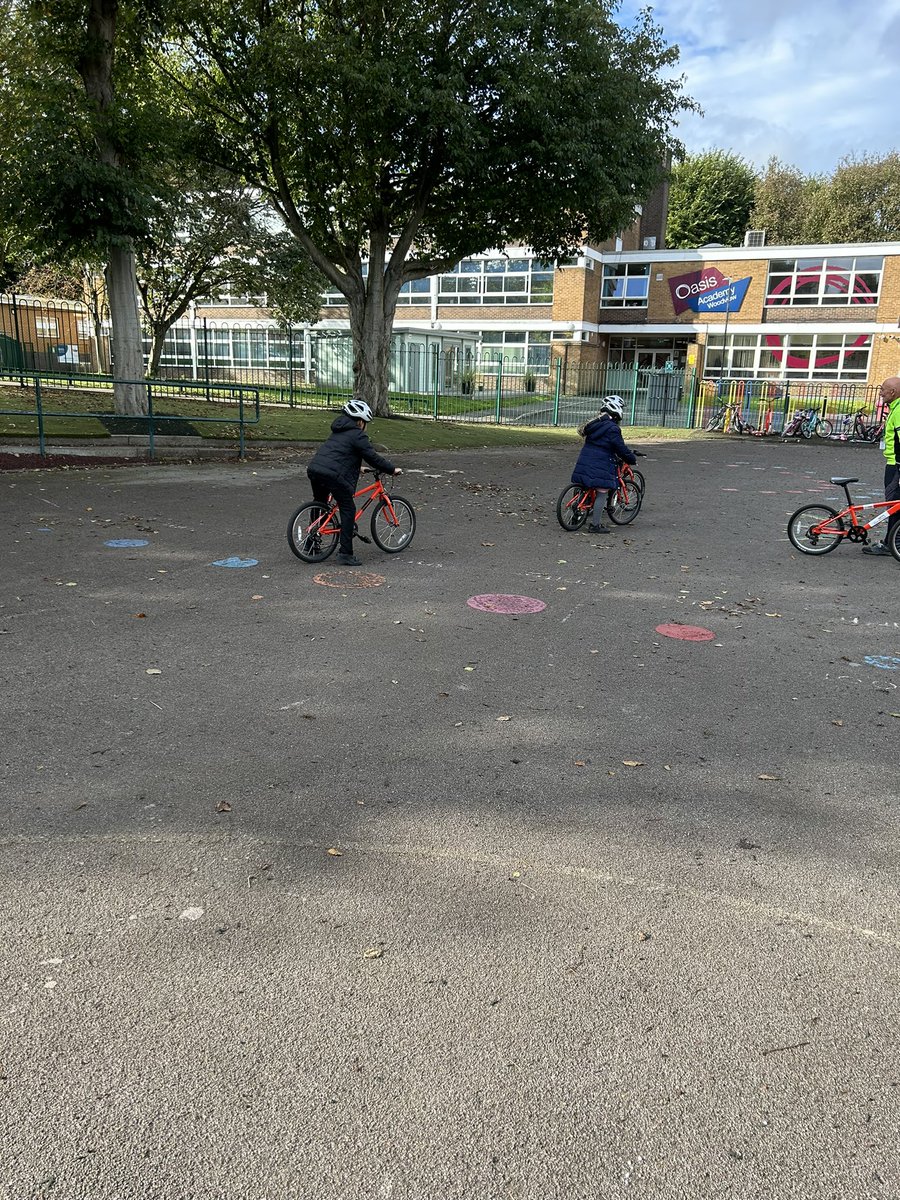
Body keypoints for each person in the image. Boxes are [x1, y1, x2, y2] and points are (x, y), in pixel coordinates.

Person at [307, 398, 402, 566]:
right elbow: (372, 456)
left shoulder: (338, 431)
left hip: (316, 469)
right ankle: (345, 553)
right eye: (365, 422)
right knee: (348, 508)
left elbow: (338, 455)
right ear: (360, 421)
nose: (365, 426)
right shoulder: (357, 434)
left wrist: (359, 468)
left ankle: (311, 544)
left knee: (319, 504)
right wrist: (391, 469)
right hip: (332, 474)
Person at [571, 396, 638, 533]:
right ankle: (595, 525)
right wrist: (631, 458)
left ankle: (576, 515)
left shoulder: (594, 424)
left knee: (586, 486)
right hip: (601, 462)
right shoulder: (613, 428)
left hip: (585, 460)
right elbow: (620, 447)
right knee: (602, 492)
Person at [862, 376, 900, 557]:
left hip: (896, 466)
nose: (880, 392)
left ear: (893, 392)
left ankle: (891, 544)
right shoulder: (895, 408)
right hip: (894, 463)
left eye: (883, 389)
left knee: (894, 506)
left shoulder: (899, 410)